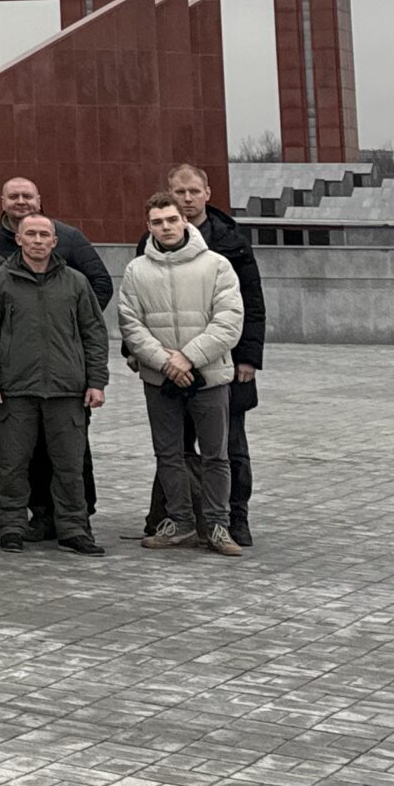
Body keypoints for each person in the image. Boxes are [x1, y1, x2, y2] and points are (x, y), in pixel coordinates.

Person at [0, 177, 113, 534]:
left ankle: (74, 528)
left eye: (44, 235)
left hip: (66, 388)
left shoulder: (75, 280)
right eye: (31, 235)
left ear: (55, 241)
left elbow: (94, 332)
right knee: (13, 464)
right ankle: (13, 527)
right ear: (18, 239)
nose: (37, 240)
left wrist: (95, 379)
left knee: (70, 465)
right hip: (16, 387)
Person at [117, 193, 246, 556]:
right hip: (160, 380)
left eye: (172, 219)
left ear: (184, 221)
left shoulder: (217, 265)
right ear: (148, 226)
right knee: (168, 453)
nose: (166, 227)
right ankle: (181, 522)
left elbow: (229, 321)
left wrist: (188, 358)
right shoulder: (136, 271)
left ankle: (217, 525)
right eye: (158, 222)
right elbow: (130, 324)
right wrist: (165, 363)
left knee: (216, 455)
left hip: (210, 376)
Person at [161, 163, 266, 547]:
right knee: (175, 446)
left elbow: (252, 302)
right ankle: (178, 516)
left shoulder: (232, 242)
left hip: (226, 361)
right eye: (179, 192)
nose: (187, 199)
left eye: (194, 191)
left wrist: (248, 358)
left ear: (207, 193)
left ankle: (236, 517)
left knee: (229, 446)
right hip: (173, 364)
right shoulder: (154, 240)